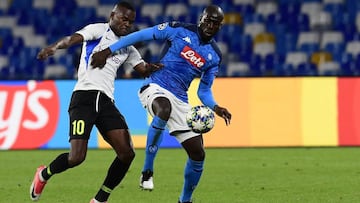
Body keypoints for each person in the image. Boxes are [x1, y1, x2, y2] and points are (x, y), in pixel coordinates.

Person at [91, 4, 232, 203]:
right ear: (201, 19)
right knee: (163, 109)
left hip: (181, 99)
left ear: (220, 27)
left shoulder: (214, 56)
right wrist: (108, 50)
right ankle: (147, 170)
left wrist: (216, 107)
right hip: (155, 86)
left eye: (215, 23)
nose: (210, 25)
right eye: (208, 20)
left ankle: (185, 200)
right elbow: (141, 36)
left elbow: (204, 90)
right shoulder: (178, 29)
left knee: (198, 154)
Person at [29, 2, 161, 203]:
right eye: (124, 19)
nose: (127, 25)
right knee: (76, 158)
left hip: (106, 102)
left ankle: (100, 199)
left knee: (127, 153)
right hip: (84, 98)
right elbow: (72, 39)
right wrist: (53, 47)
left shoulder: (128, 46)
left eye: (131, 22)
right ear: (112, 15)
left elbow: (142, 69)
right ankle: (43, 174)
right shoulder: (98, 30)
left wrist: (156, 67)